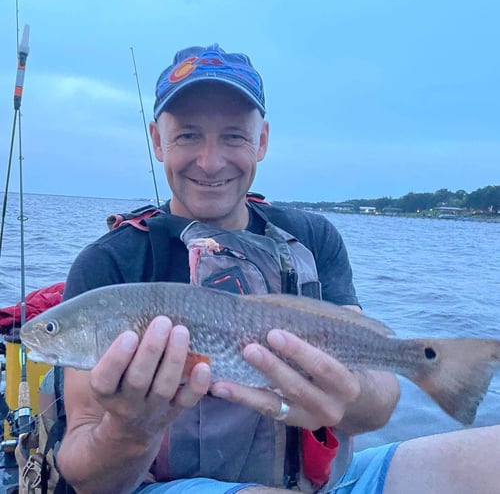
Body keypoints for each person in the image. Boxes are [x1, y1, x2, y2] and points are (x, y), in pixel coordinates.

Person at [56, 44, 500, 494]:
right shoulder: (109, 262)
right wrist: (131, 429)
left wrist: (343, 397)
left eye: (233, 136)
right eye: (188, 135)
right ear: (157, 140)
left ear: (262, 140)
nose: (210, 162)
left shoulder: (313, 237)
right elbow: (85, 476)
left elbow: (380, 406)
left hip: (325, 481)